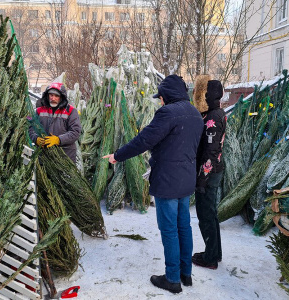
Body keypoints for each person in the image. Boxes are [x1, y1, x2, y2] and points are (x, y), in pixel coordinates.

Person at [103, 74, 203, 294]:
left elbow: (144, 140)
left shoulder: (168, 113)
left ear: (166, 96)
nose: (160, 101)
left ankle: (172, 279)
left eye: (161, 97)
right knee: (183, 226)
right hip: (186, 179)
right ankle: (186, 274)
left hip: (168, 180)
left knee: (169, 229)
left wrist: (118, 155)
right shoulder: (195, 114)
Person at [192, 78, 227, 270]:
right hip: (215, 171)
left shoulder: (213, 118)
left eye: (205, 93)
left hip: (209, 173)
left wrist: (202, 180)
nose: (203, 96)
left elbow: (211, 152)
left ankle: (210, 258)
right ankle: (215, 252)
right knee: (211, 214)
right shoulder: (217, 113)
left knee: (205, 215)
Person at [29, 82, 81, 163]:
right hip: (44, 156)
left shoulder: (70, 111)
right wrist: (36, 139)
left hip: (65, 156)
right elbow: (31, 127)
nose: (53, 98)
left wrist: (58, 140)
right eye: (51, 95)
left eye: (56, 96)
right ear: (47, 95)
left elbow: (75, 132)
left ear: (62, 97)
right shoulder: (39, 110)